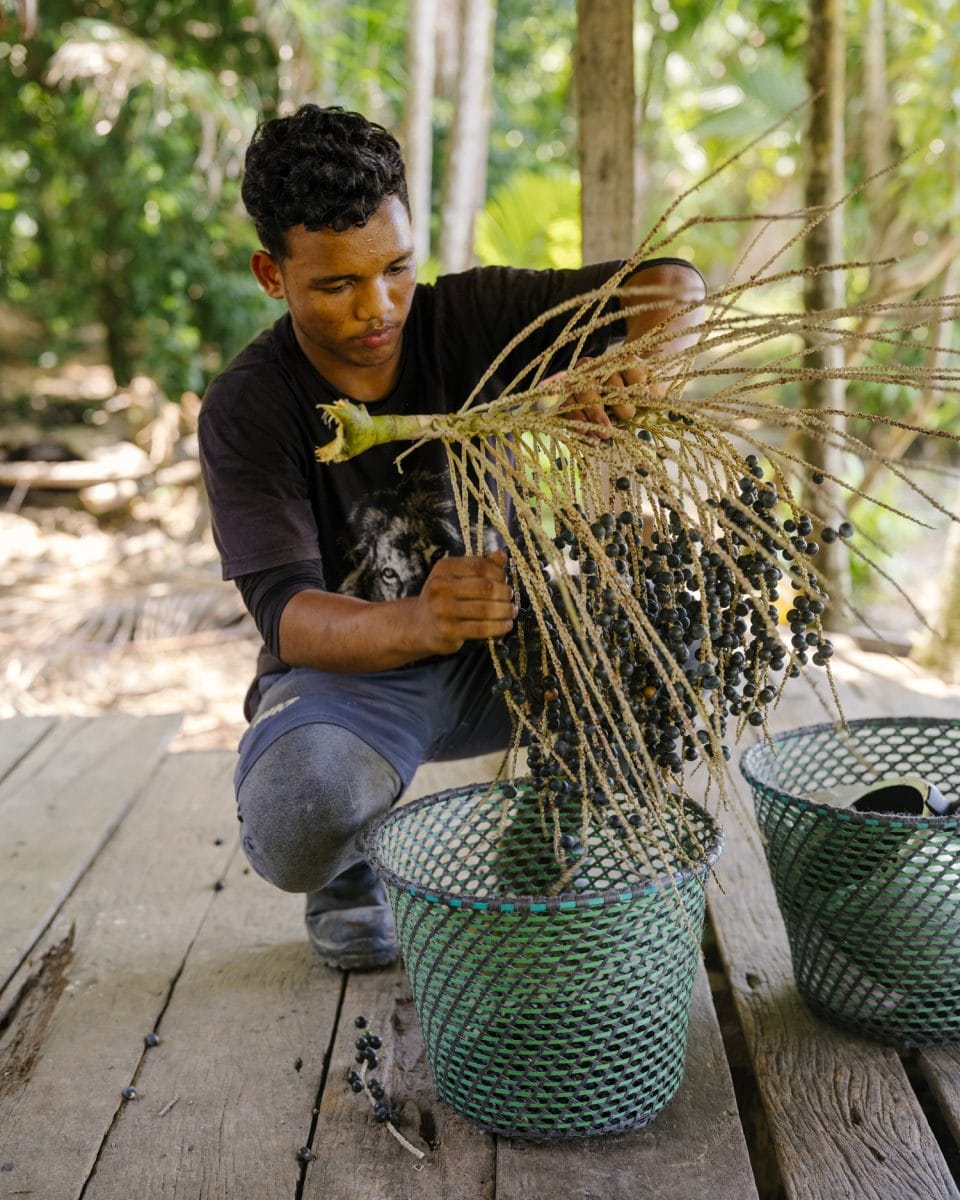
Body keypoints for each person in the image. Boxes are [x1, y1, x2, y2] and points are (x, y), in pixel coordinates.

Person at [198, 104, 705, 970]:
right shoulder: (247, 408)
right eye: (337, 284)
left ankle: (541, 853)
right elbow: (284, 616)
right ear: (271, 275)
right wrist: (420, 624)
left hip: (510, 656)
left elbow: (671, 288)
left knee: (672, 637)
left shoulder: (471, 316)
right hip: (352, 679)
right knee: (298, 811)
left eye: (396, 267)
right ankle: (348, 867)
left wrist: (636, 367)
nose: (378, 306)